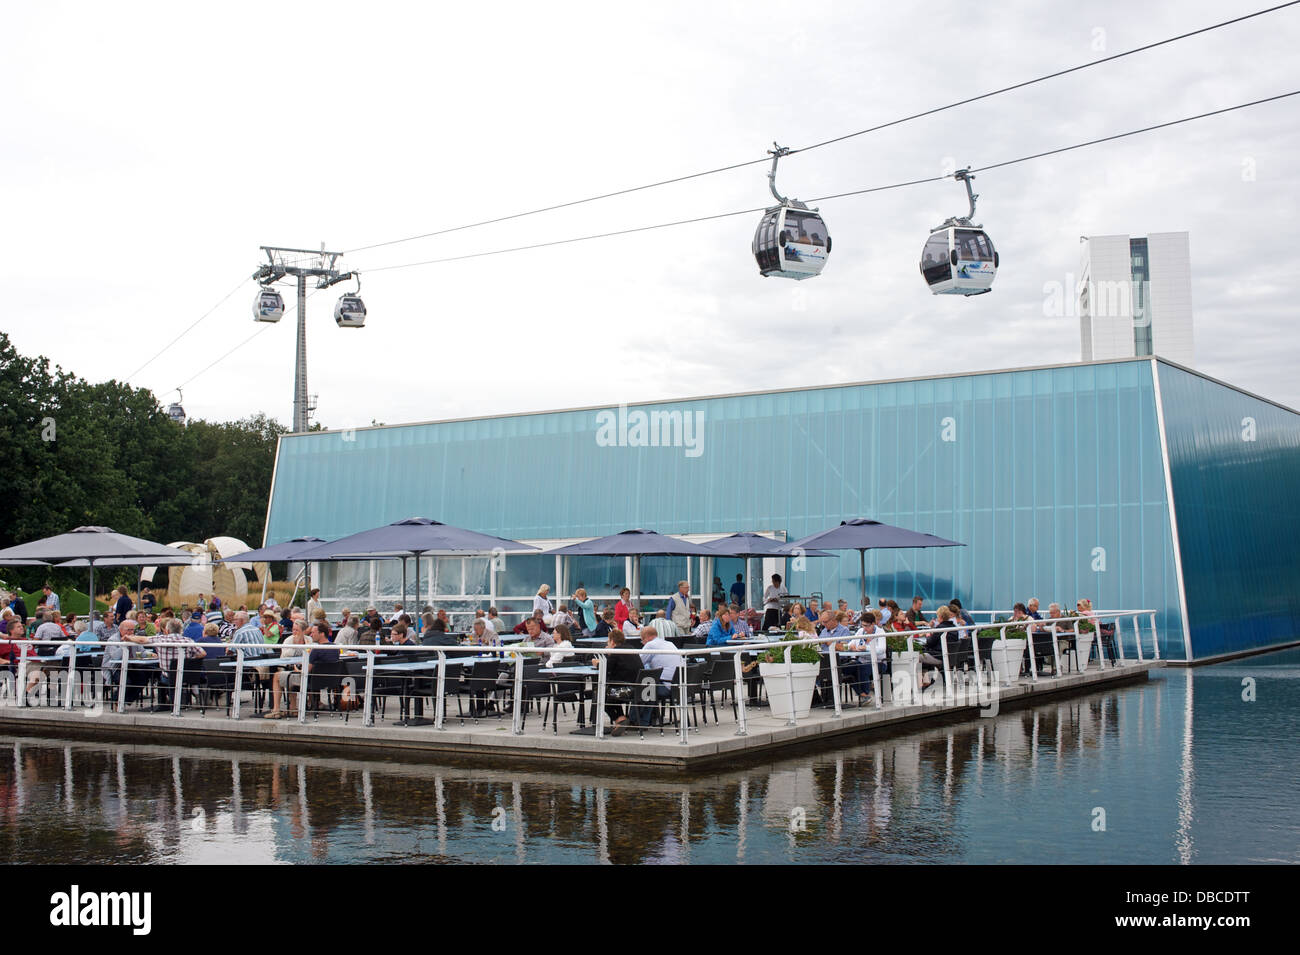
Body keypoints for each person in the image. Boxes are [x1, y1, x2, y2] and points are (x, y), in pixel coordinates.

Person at [629, 626, 678, 726]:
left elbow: (637, 663)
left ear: (647, 638)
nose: (642, 643)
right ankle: (647, 719)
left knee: (644, 687)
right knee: (649, 683)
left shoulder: (650, 645)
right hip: (678, 685)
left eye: (642, 641)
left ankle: (636, 721)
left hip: (665, 685)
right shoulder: (669, 643)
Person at [598, 630, 642, 736]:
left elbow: (606, 669)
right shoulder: (631, 648)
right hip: (638, 688)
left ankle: (619, 719)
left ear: (612, 642)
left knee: (600, 695)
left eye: (608, 641)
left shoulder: (616, 652)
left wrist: (597, 663)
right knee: (610, 691)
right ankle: (621, 720)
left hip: (626, 689)